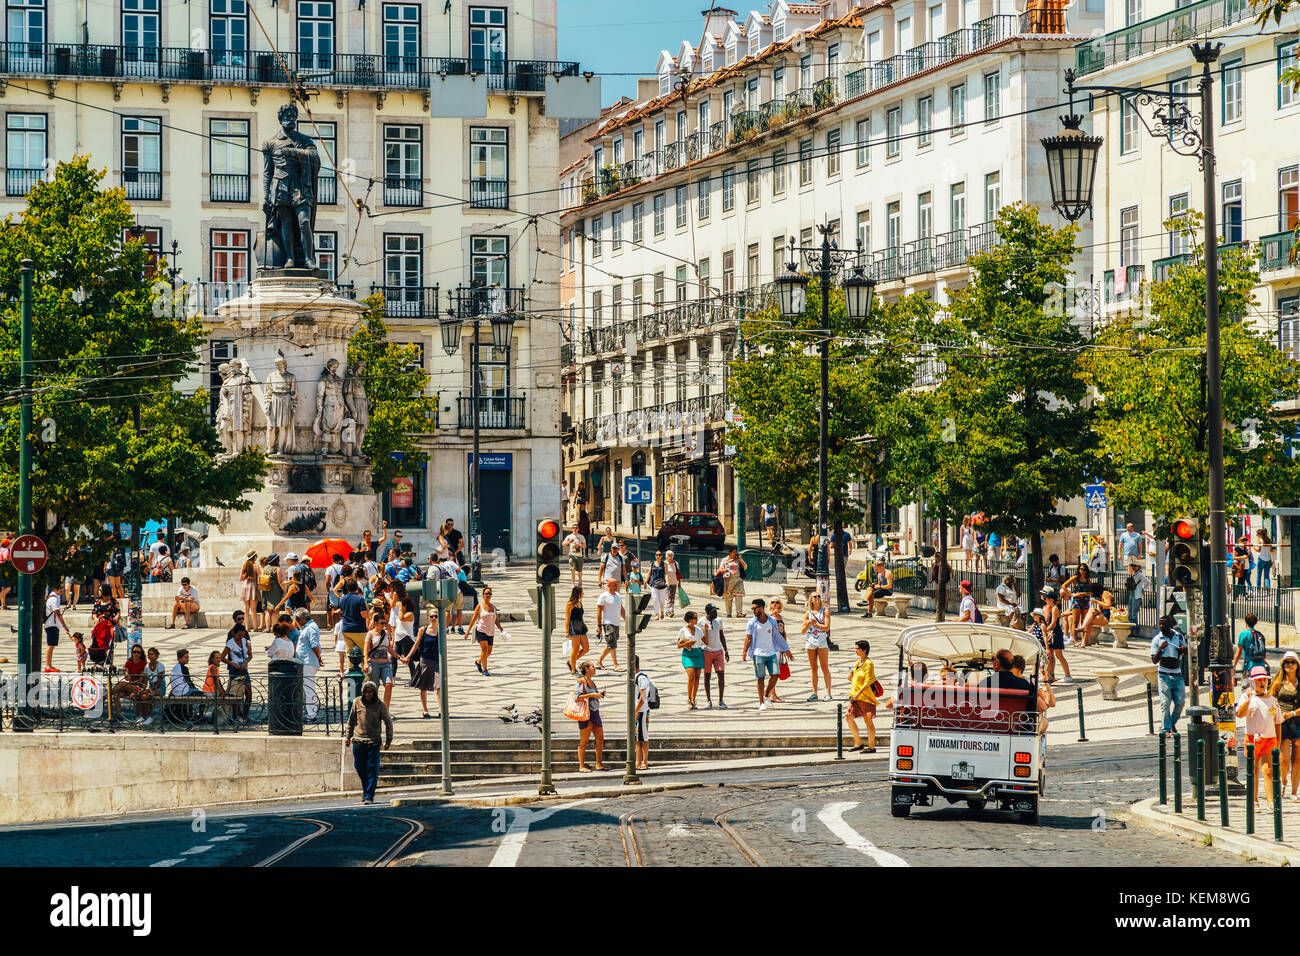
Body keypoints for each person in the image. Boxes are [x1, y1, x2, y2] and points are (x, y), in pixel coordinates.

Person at [1238, 665, 1283, 808]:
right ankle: (1254, 799)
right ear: (1253, 681)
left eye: (1264, 680)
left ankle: (1270, 801)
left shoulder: (1272, 700)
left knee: (1268, 770)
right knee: (1253, 770)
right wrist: (1248, 699)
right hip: (1252, 737)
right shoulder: (1247, 697)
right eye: (1258, 680)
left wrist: (1278, 741)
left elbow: (1278, 722)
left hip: (1269, 737)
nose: (1262, 683)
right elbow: (1239, 713)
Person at [346, 680, 394, 805]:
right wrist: (348, 736)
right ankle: (366, 789)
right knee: (359, 767)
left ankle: (369, 795)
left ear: (374, 692)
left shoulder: (380, 705)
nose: (368, 694)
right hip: (358, 740)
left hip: (373, 742)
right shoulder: (357, 702)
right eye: (366, 692)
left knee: (372, 769)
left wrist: (389, 739)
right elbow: (351, 720)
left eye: (370, 692)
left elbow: (388, 721)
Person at [742, 598, 790, 712]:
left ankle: (766, 694)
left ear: (761, 608)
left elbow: (778, 635)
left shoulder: (772, 620)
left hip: (771, 652)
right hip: (758, 653)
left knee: (775, 674)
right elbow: (748, 638)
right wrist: (744, 652)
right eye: (752, 609)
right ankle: (761, 702)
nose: (753, 611)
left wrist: (786, 649)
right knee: (761, 678)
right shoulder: (751, 622)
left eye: (755, 608)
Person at [1151, 614, 1188, 735]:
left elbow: (1188, 651)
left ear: (1170, 625)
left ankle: (1171, 723)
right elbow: (1154, 660)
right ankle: (1165, 729)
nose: (1161, 626)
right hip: (1164, 674)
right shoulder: (1157, 639)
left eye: (1164, 623)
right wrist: (1160, 649)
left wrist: (1183, 649)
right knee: (1165, 702)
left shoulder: (1178, 636)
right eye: (1160, 624)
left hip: (1177, 673)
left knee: (1180, 701)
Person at [1271, 652, 1300, 802]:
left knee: (1297, 759)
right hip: (1281, 723)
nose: (1289, 664)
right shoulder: (1278, 682)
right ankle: (1283, 781)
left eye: (1292, 662)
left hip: (1298, 722)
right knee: (1284, 758)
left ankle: (1294, 792)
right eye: (1286, 662)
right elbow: (1270, 699)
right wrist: (1276, 714)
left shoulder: (1299, 683)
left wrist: (1293, 713)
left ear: (1297, 665)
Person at [403, 615, 441, 719]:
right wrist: (408, 657)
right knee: (424, 686)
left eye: (436, 616)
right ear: (429, 617)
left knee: (439, 686)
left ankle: (441, 710)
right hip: (425, 660)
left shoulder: (441, 630)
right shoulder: (423, 630)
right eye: (432, 616)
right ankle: (425, 710)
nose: (434, 618)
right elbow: (416, 645)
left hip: (437, 661)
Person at [846, 640, 879, 752]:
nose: (855, 650)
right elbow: (855, 678)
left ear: (864, 650)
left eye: (857, 648)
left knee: (867, 720)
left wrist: (858, 693)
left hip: (865, 696)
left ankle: (871, 746)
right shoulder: (858, 662)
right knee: (848, 716)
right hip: (855, 696)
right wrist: (850, 676)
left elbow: (868, 681)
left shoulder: (869, 664)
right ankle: (858, 743)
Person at [574, 661, 607, 771]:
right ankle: (582, 766)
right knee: (584, 740)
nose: (594, 668)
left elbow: (592, 696)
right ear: (587, 669)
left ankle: (599, 764)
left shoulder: (592, 682)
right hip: (586, 713)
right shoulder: (581, 681)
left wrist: (599, 695)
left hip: (595, 712)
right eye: (592, 666)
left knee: (600, 738)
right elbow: (577, 697)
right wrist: (592, 694)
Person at [112, 644, 156, 725]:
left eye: (138, 652)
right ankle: (119, 716)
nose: (136, 654)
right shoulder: (129, 663)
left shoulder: (144, 664)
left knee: (123, 684)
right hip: (129, 686)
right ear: (132, 653)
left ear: (141, 654)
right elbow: (127, 675)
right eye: (134, 652)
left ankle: (107, 694)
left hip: (138, 686)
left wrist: (131, 680)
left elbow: (141, 679)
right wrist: (127, 676)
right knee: (116, 695)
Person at [365, 601, 397, 708]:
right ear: (376, 623)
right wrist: (365, 663)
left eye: (385, 623)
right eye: (381, 623)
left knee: (389, 684)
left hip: (386, 663)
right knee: (374, 687)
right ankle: (374, 708)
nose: (384, 625)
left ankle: (386, 709)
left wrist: (399, 657)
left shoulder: (386, 633)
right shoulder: (370, 634)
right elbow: (366, 650)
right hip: (374, 663)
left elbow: (389, 648)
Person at [221, 614, 253, 721]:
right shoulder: (230, 643)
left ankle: (245, 715)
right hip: (235, 670)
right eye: (239, 636)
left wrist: (245, 662)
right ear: (235, 634)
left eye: (242, 635)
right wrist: (232, 663)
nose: (240, 638)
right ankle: (236, 715)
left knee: (248, 694)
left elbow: (250, 654)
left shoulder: (244, 641)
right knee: (236, 695)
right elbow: (222, 657)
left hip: (244, 669)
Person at [293, 607, 323, 720]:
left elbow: (314, 645)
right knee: (305, 688)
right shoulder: (307, 627)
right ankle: (308, 712)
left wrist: (319, 657)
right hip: (305, 661)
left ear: (301, 619)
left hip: (308, 662)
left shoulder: (311, 628)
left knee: (309, 688)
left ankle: (311, 715)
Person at [802, 592, 833, 701]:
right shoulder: (808, 613)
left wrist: (815, 624)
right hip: (810, 642)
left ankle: (828, 692)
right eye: (815, 597)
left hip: (821, 641)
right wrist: (808, 623)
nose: (817, 598)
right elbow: (803, 631)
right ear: (811, 600)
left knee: (824, 667)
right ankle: (814, 692)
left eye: (818, 597)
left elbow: (826, 627)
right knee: (813, 668)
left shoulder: (825, 612)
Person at [466, 587, 503, 676]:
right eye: (486, 593)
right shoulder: (480, 606)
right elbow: (473, 619)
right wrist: (468, 631)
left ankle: (478, 662)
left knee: (489, 652)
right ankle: (485, 669)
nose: (488, 595)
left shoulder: (493, 607)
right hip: (481, 630)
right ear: (483, 595)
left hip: (491, 631)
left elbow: (496, 620)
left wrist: (501, 628)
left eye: (489, 593)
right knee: (484, 649)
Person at [337, 578, 369, 675]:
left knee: (349, 652)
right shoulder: (360, 599)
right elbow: (363, 614)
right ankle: (365, 673)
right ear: (357, 587)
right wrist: (369, 613)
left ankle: (352, 673)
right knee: (364, 652)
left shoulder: (342, 599)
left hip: (346, 629)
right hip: (359, 629)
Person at [700, 603, 729, 709]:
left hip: (718, 651)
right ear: (707, 612)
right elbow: (699, 637)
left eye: (716, 611)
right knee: (707, 676)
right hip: (706, 651)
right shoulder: (701, 622)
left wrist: (726, 651)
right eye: (713, 611)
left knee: (721, 675)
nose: (715, 613)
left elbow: (722, 635)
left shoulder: (719, 621)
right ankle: (708, 700)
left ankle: (721, 700)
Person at [1041, 587, 1071, 683]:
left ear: (1051, 599)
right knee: (1052, 655)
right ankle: (1050, 675)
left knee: (1059, 655)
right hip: (1052, 632)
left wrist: (1045, 631)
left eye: (1047, 599)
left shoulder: (1054, 609)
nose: (1045, 600)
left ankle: (1068, 675)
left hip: (1055, 632)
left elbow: (1053, 623)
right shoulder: (1050, 608)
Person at [595, 577, 625, 672]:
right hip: (608, 623)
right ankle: (616, 665)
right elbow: (599, 612)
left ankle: (599, 661)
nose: (616, 586)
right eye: (614, 585)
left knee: (611, 644)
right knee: (612, 644)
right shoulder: (603, 597)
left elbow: (621, 609)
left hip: (617, 623)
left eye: (617, 584)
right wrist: (599, 626)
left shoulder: (618, 596)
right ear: (608, 585)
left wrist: (626, 620)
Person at [677, 610, 705, 710]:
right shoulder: (683, 631)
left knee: (697, 677)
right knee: (691, 676)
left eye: (697, 618)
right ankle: (688, 699)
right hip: (688, 654)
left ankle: (693, 699)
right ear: (689, 619)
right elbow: (679, 645)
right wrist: (688, 643)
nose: (697, 620)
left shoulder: (699, 630)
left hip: (698, 653)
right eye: (695, 618)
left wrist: (707, 631)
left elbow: (705, 641)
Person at [1234, 612, 1269, 677]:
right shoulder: (1260, 635)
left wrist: (1234, 666)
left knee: (1247, 686)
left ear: (1246, 622)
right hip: (1261, 667)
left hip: (1249, 666)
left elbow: (1238, 653)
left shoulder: (1243, 634)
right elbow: (1263, 652)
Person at [43, 587, 70, 672]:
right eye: (60, 588)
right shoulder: (53, 599)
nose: (62, 590)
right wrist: (64, 625)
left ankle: (49, 665)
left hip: (52, 624)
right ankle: (48, 666)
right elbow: (57, 613)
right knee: (51, 645)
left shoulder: (53, 597)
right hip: (52, 624)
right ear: (55, 588)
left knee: (52, 645)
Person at [634, 656, 653, 770]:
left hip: (641, 711)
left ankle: (643, 762)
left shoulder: (641, 678)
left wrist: (635, 711)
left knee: (643, 737)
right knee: (637, 738)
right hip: (638, 710)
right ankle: (637, 762)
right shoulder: (636, 677)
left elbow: (643, 697)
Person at [565, 586, 588, 674]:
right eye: (582, 592)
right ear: (578, 593)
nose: (583, 594)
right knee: (576, 649)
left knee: (586, 648)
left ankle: (571, 661)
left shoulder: (580, 603)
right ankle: (573, 669)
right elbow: (567, 618)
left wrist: (584, 625)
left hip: (581, 627)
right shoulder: (570, 604)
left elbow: (581, 616)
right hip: (573, 627)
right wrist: (567, 631)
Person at [718, 548, 747, 617]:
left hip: (738, 580)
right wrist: (724, 570)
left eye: (736, 552)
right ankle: (729, 612)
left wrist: (740, 559)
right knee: (727, 597)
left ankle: (739, 612)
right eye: (734, 552)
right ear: (730, 553)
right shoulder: (724, 560)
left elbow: (745, 567)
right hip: (728, 581)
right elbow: (720, 569)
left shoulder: (738, 559)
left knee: (739, 595)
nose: (735, 553)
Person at [1125, 560, 1149, 627]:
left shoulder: (1140, 574)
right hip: (1132, 593)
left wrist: (1144, 590)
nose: (1133, 567)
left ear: (1138, 567)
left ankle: (1134, 628)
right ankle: (1131, 627)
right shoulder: (1133, 574)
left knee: (1133, 613)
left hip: (1137, 595)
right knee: (1130, 612)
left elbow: (1148, 582)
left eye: (1135, 566)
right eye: (1132, 565)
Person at [647, 550, 669, 620]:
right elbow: (649, 573)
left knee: (662, 601)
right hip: (654, 584)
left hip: (662, 584)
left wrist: (667, 581)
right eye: (657, 555)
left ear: (662, 556)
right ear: (655, 555)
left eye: (659, 555)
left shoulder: (664, 564)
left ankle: (662, 610)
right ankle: (656, 613)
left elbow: (666, 574)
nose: (658, 556)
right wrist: (645, 582)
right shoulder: (652, 563)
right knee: (655, 599)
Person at [663, 549, 682, 616]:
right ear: (666, 556)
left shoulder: (675, 563)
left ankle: (670, 610)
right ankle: (669, 611)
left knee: (672, 597)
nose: (670, 557)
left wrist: (679, 582)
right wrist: (666, 581)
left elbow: (678, 573)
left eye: (671, 555)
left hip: (674, 582)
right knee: (668, 597)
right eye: (669, 555)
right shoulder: (664, 563)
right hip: (667, 583)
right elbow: (664, 574)